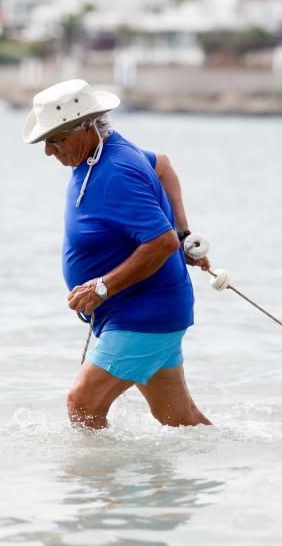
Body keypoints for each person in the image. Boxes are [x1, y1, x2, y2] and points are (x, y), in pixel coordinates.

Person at [23, 79, 212, 429]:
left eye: (55, 139)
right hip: (149, 312)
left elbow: (161, 242)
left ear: (88, 127)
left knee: (82, 404)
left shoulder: (116, 171)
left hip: (143, 315)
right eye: (45, 141)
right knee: (178, 418)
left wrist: (102, 287)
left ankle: (102, 483)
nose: (49, 151)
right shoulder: (100, 154)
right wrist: (186, 233)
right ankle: (229, 466)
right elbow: (163, 166)